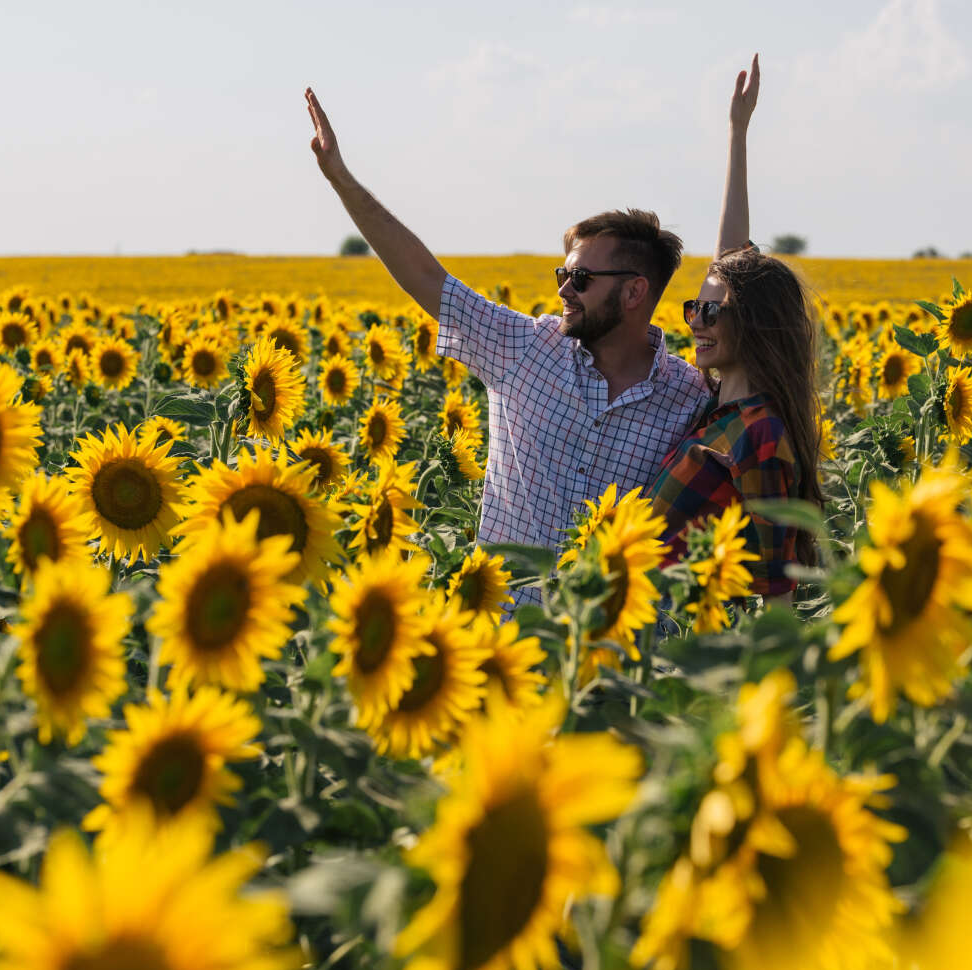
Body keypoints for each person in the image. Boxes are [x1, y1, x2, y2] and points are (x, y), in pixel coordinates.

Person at [305, 88, 711, 601]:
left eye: (582, 278)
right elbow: (426, 278)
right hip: (500, 637)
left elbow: (742, 304)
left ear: (635, 291)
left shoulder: (689, 397)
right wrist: (341, 179)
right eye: (563, 273)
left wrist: (737, 137)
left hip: (605, 658)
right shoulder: (524, 347)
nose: (564, 288)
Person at [646, 56, 824, 598]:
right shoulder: (719, 406)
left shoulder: (760, 435)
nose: (695, 322)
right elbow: (729, 261)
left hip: (686, 653)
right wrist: (737, 135)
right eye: (692, 308)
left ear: (755, 326)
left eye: (710, 311)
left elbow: (776, 594)